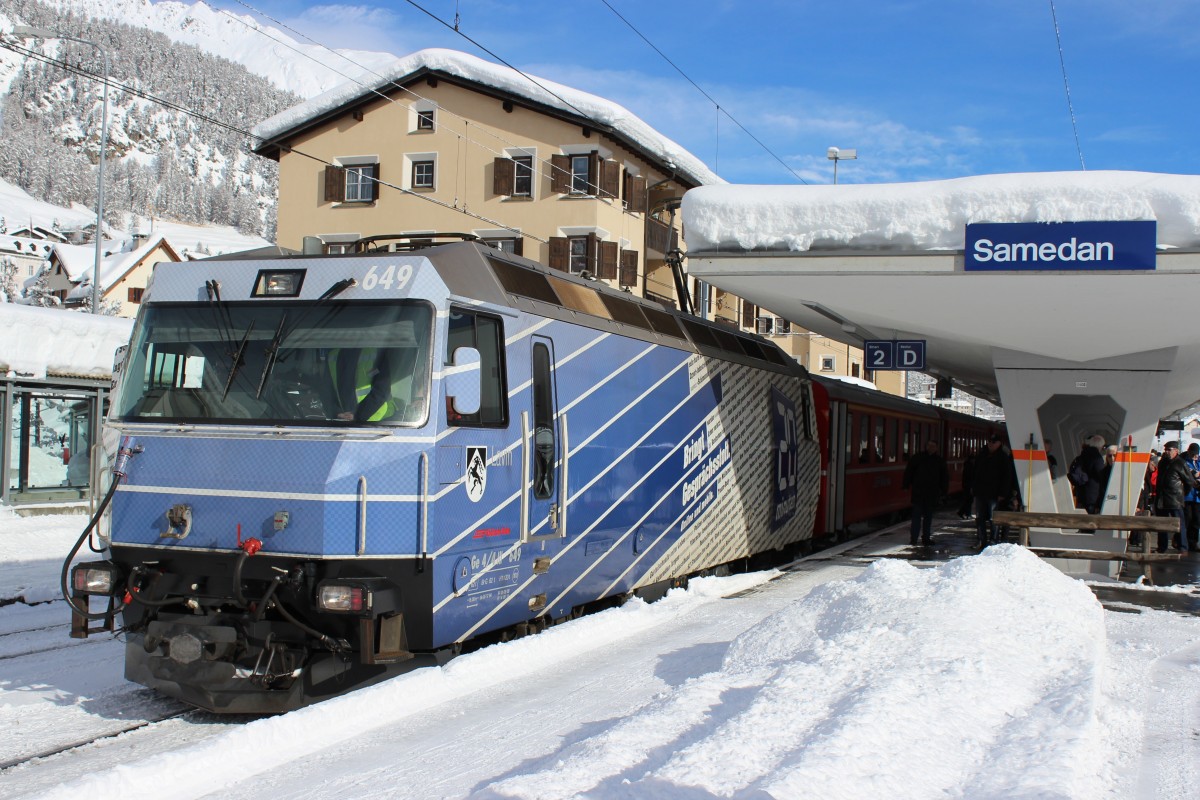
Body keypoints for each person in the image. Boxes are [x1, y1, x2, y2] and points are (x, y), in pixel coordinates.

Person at [328, 348, 397, 422]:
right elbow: (382, 389)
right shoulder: (375, 350)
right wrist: (337, 413)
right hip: (362, 421)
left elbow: (382, 389)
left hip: (376, 420)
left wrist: (337, 413)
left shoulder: (332, 355)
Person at [903, 439, 949, 546]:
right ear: (926, 446)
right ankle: (914, 538)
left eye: (933, 446)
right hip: (919, 492)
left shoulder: (939, 461)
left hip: (931, 493)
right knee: (916, 517)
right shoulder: (917, 458)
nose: (931, 448)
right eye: (929, 445)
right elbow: (909, 472)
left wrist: (944, 491)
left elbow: (944, 477)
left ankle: (926, 538)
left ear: (936, 448)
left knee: (927, 517)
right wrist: (906, 485)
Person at [1153, 441, 1197, 553]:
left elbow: (1190, 482)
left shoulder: (1180, 463)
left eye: (1169, 449)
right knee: (1161, 525)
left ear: (1176, 451)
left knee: (1180, 524)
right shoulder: (1162, 462)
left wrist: (1182, 494)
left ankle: (1183, 547)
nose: (1166, 451)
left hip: (1175, 499)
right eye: (1165, 449)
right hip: (1161, 499)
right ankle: (1162, 547)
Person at [973, 434, 1014, 548]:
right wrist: (974, 488)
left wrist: (1002, 493)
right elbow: (975, 473)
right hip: (981, 492)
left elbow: (1007, 477)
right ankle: (982, 539)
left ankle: (993, 540)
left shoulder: (1003, 458)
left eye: (994, 442)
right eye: (989, 441)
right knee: (980, 518)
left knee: (993, 518)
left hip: (994, 494)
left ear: (999, 443)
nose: (991, 444)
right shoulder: (982, 455)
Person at [1068, 435, 1108, 514]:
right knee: (1091, 521)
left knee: (1082, 520)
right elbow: (1101, 475)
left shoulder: (1082, 455)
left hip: (1081, 494)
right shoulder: (1097, 457)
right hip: (1092, 497)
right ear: (1100, 446)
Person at [1183, 443, 1200, 552]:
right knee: (1187, 519)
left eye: (1196, 454)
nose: (1195, 456)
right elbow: (1190, 474)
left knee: (1197, 520)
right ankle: (1186, 542)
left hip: (1197, 497)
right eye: (1193, 454)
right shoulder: (1185, 462)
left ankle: (1193, 543)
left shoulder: (1198, 462)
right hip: (1188, 496)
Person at [957, 450, 975, 519]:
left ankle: (966, 513)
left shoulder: (967, 465)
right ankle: (964, 513)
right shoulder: (970, 467)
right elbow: (970, 477)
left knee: (968, 500)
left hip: (966, 485)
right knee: (969, 500)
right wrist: (971, 487)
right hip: (968, 486)